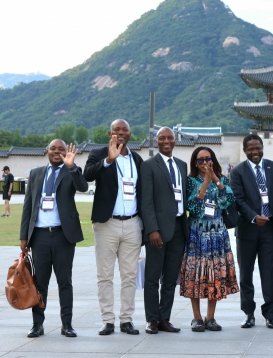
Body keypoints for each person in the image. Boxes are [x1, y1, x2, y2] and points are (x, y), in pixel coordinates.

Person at [19, 139, 88, 338]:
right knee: (40, 283)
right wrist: (24, 237)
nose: (57, 152)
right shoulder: (36, 174)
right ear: (47, 151)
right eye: (53, 149)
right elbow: (27, 207)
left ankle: (67, 324)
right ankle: (37, 325)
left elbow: (82, 187)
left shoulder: (71, 171)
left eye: (61, 149)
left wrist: (72, 166)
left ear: (66, 152)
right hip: (39, 236)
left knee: (64, 282)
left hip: (63, 236)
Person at [84, 119, 144, 336]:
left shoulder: (137, 159)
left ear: (129, 133)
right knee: (105, 275)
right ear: (110, 133)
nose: (120, 133)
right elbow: (87, 175)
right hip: (106, 223)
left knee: (129, 275)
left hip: (132, 224)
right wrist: (109, 160)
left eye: (124, 130)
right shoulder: (98, 154)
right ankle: (107, 320)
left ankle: (126, 320)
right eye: (116, 130)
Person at [230, 134, 273, 329]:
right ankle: (249, 313)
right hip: (247, 230)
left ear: (262, 148)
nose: (255, 152)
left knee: (268, 273)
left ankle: (270, 314)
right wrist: (254, 217)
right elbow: (239, 201)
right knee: (246, 274)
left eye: (258, 148)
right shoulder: (237, 172)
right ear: (245, 151)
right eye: (251, 149)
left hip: (269, 230)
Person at [181, 146, 239, 332]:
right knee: (195, 273)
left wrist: (215, 180)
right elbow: (193, 207)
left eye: (208, 159)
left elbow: (228, 200)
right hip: (197, 233)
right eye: (200, 160)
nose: (205, 163)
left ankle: (211, 317)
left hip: (217, 233)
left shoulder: (221, 179)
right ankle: (197, 317)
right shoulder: (190, 181)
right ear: (195, 163)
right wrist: (205, 183)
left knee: (215, 273)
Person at [140, 127, 189, 334]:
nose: (166, 141)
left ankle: (164, 318)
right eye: (162, 138)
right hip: (158, 230)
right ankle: (151, 319)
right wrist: (152, 229)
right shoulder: (149, 165)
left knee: (170, 278)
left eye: (170, 138)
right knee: (152, 277)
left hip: (179, 227)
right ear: (156, 141)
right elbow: (146, 201)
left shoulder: (181, 165)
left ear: (175, 141)